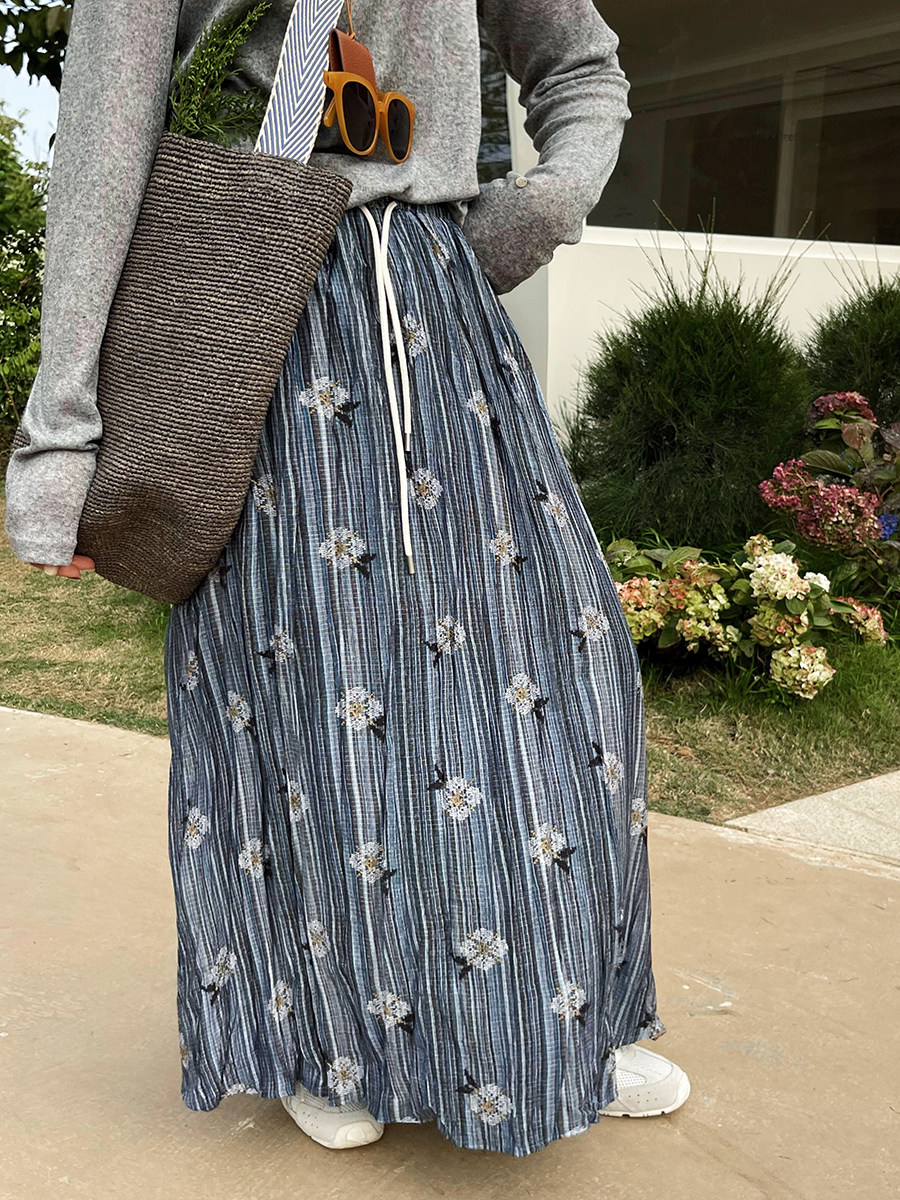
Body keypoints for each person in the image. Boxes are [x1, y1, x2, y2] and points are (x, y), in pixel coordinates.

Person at [4, 0, 690, 1158]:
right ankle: (324, 1041)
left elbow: (581, 65)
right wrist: (61, 436)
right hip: (256, 313)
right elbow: (107, 139)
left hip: (442, 312)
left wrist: (541, 205)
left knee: (559, 682)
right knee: (313, 699)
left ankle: (561, 1019)